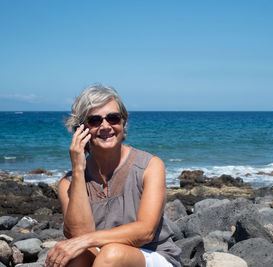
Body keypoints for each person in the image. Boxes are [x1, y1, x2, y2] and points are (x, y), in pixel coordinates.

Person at [46, 85, 181, 267]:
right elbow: (79, 235)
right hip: (103, 257)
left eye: (113, 118)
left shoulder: (150, 166)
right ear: (81, 129)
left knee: (111, 254)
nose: (105, 126)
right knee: (74, 258)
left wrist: (86, 241)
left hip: (153, 255)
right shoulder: (68, 183)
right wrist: (78, 169)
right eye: (94, 120)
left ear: (123, 123)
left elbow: (145, 232)